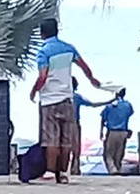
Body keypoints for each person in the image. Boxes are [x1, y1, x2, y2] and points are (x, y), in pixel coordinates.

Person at [30, 18, 100, 184]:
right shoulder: (69, 48)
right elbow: (84, 66)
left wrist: (34, 90)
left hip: (49, 100)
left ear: (42, 34)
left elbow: (43, 76)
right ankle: (63, 173)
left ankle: (49, 171)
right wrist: (92, 80)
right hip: (67, 99)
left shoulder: (44, 52)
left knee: (51, 138)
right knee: (66, 139)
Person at [71, 77, 111, 175]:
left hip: (63, 123)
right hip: (74, 123)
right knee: (75, 148)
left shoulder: (63, 97)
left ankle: (66, 169)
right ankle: (75, 169)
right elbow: (92, 104)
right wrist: (108, 101)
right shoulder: (76, 97)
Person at [100, 88, 134, 175]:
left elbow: (103, 119)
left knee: (108, 154)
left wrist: (101, 131)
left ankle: (113, 169)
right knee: (119, 153)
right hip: (123, 131)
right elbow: (129, 114)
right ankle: (118, 168)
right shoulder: (127, 105)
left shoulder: (109, 106)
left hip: (112, 131)